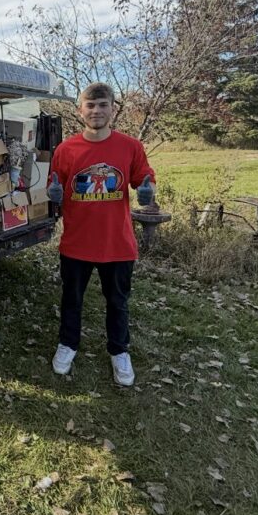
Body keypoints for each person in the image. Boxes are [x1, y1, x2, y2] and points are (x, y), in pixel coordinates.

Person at [46, 83, 155, 385]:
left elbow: (143, 179)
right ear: (80, 110)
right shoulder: (66, 150)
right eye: (90, 106)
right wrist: (53, 194)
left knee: (118, 302)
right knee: (71, 299)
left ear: (112, 109)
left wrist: (148, 190)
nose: (96, 111)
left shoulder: (130, 146)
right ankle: (67, 345)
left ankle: (119, 352)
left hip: (117, 244)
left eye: (102, 105)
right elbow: (55, 185)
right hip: (76, 244)